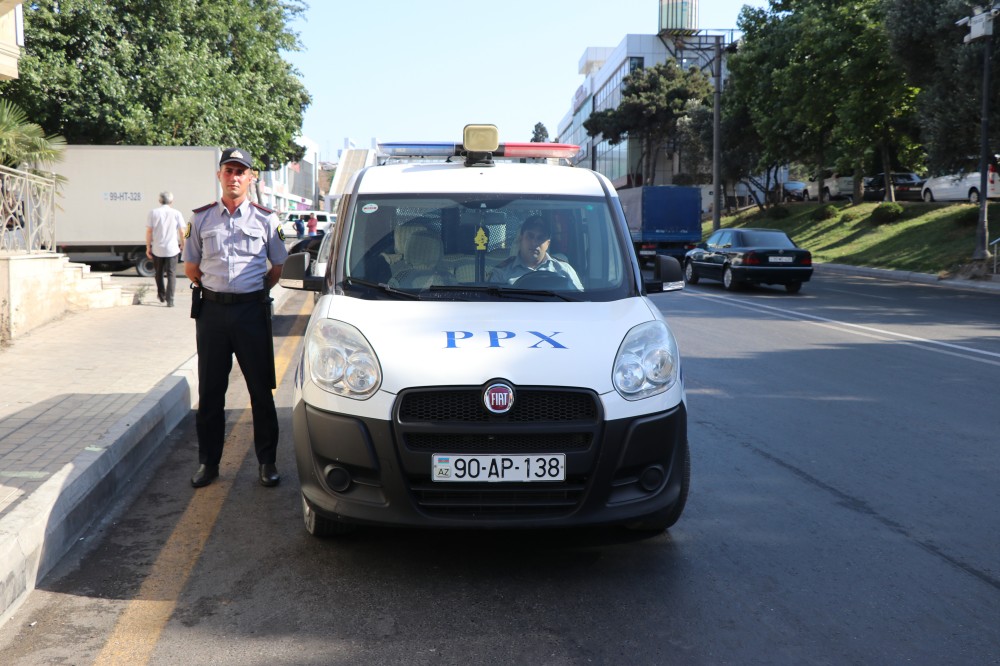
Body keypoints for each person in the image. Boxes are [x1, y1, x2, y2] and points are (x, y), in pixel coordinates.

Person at [183, 147, 289, 489]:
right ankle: (208, 464)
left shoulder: (265, 219)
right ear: (220, 176)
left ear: (250, 177)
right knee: (211, 392)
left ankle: (267, 462)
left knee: (261, 391)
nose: (234, 177)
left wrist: (248, 292)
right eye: (228, 171)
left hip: (250, 312)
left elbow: (276, 268)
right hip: (212, 313)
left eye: (241, 172)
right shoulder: (201, 219)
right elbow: (191, 267)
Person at [488, 216, 583, 289]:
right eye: (530, 236)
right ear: (521, 239)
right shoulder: (501, 273)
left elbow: (581, 303)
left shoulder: (564, 270)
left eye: (541, 238)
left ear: (548, 244)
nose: (534, 242)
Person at [145, 191, 186, 306]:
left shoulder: (153, 213)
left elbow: (149, 231)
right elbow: (182, 231)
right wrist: (183, 244)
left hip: (157, 249)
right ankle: (170, 299)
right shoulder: (177, 213)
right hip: (172, 249)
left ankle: (161, 295)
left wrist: (148, 246)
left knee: (158, 273)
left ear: (159, 201)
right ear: (171, 201)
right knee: (171, 274)